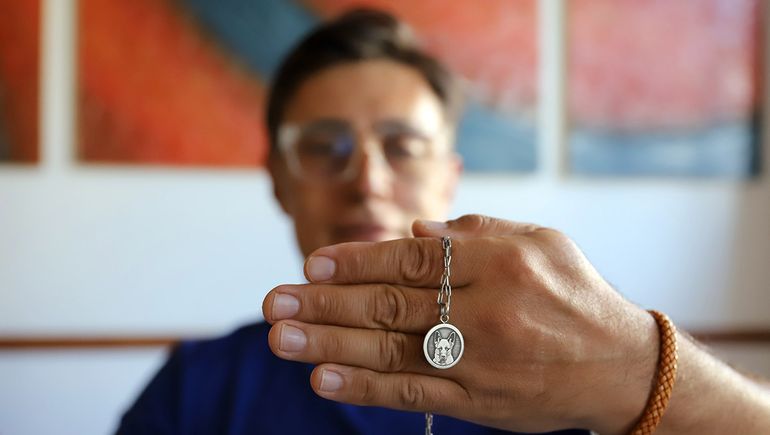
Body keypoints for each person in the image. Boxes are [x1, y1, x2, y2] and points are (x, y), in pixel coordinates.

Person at [117, 9, 770, 435]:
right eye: (323, 147)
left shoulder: (554, 360)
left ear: (449, 177)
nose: (367, 181)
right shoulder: (197, 389)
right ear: (279, 180)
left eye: (402, 146)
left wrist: (638, 366)